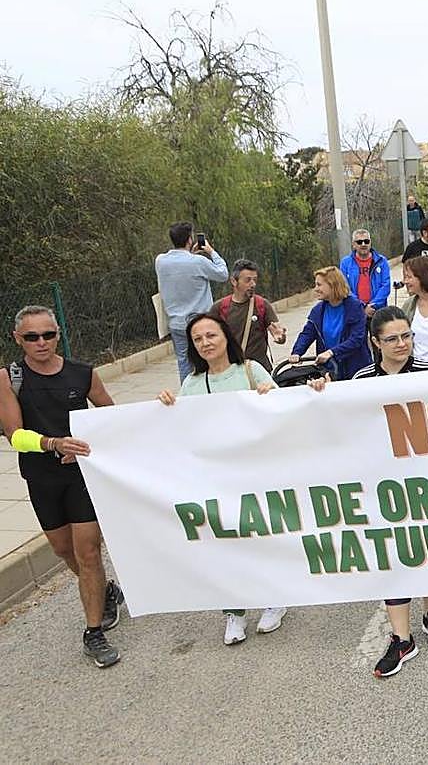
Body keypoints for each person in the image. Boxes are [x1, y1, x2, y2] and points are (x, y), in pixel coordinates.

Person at [156, 313, 288, 646]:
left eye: (210, 335)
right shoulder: (191, 385)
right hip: (214, 477)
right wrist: (167, 406)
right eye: (198, 339)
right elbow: (182, 428)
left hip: (253, 473)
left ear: (225, 336)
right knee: (223, 543)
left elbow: (281, 411)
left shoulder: (250, 370)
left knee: (259, 537)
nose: (205, 343)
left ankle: (274, 599)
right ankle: (235, 611)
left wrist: (268, 396)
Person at [0, 306, 121, 668]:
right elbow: (15, 436)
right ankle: (106, 591)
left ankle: (94, 632)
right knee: (62, 549)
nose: (41, 343)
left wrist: (86, 442)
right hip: (40, 477)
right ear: (17, 339)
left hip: (81, 476)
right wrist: (55, 444)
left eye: (48, 335)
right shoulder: (10, 378)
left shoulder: (83, 373)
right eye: (32, 337)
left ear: (58, 334)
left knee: (87, 553)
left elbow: (111, 419)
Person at [351, 307, 428, 676]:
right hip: (384, 482)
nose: (402, 344)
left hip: (426, 479)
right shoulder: (361, 379)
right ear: (375, 342)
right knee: (393, 554)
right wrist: (320, 391)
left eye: (407, 335)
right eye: (392, 338)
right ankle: (401, 638)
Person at [155, 221, 230, 381]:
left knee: (184, 362)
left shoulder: (160, 261)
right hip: (200, 321)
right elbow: (223, 274)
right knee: (207, 358)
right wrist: (211, 251)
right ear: (190, 239)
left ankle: (188, 394)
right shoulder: (198, 262)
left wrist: (191, 255)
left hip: (176, 323)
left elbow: (180, 270)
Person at [289, 266, 371, 379]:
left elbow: (356, 339)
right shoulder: (318, 311)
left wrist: (332, 352)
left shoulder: (355, 307)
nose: (315, 289)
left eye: (319, 285)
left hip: (355, 369)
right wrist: (297, 352)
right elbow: (307, 334)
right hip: (330, 369)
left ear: (333, 285)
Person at [211, 259, 286, 371]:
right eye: (248, 280)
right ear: (234, 281)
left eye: (255, 280)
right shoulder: (219, 308)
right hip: (231, 370)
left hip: (260, 371)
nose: (253, 284)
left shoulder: (262, 305)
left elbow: (276, 330)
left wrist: (280, 337)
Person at [339, 228, 391, 318]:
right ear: (353, 245)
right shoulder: (345, 263)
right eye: (359, 242)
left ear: (370, 243)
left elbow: (386, 286)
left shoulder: (382, 261)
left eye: (366, 241)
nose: (363, 244)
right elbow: (345, 288)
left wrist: (372, 305)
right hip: (355, 311)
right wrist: (362, 307)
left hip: (378, 311)